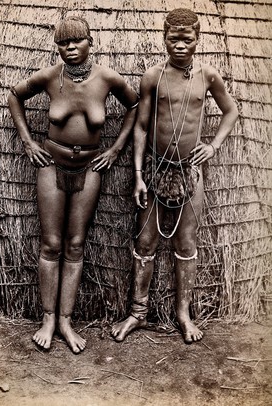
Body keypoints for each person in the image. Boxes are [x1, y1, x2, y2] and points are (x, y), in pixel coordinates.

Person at [8, 16, 138, 353]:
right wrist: (28, 142)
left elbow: (135, 105)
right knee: (51, 244)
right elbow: (15, 97)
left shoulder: (107, 78)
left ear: (90, 42)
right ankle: (48, 318)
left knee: (76, 243)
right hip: (51, 163)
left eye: (76, 41)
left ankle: (66, 320)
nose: (69, 48)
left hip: (91, 167)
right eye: (63, 43)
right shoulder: (51, 77)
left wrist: (115, 149)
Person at [111, 8, 238, 344]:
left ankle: (184, 314)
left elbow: (231, 111)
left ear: (198, 39)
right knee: (145, 242)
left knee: (186, 243)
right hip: (154, 169)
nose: (180, 45)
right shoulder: (152, 76)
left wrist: (213, 145)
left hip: (190, 171)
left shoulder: (208, 76)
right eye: (173, 39)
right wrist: (139, 175)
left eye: (187, 39)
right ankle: (137, 312)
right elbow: (140, 126)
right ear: (164, 38)